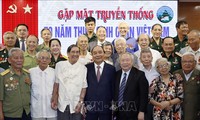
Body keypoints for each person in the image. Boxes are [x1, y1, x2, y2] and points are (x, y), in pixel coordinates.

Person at [51, 44, 87, 120]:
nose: (75, 54)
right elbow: (56, 84)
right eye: (73, 52)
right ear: (68, 54)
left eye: (77, 52)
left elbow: (84, 87)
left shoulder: (83, 68)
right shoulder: (59, 65)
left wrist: (80, 102)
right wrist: (54, 99)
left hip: (76, 104)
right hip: (63, 103)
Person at [113, 52, 149, 120]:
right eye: (122, 60)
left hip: (134, 113)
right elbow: (115, 94)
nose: (125, 62)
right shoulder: (116, 75)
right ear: (119, 62)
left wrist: (141, 111)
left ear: (132, 62)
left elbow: (144, 95)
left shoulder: (140, 75)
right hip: (118, 112)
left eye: (127, 60)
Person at [84, 45, 116, 120]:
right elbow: (84, 86)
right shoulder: (86, 68)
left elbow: (113, 87)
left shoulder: (111, 69)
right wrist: (84, 104)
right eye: (95, 53)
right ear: (92, 55)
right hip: (90, 107)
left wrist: (114, 103)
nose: (97, 55)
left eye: (100, 52)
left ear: (104, 54)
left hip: (106, 107)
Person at [0, 48, 31, 120]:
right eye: (16, 58)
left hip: (26, 113)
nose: (19, 60)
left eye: (21, 58)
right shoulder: (3, 76)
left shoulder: (27, 74)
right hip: (11, 115)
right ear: (9, 60)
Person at [30, 50, 57, 120]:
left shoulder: (54, 72)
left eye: (47, 58)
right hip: (36, 110)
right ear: (37, 59)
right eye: (42, 58)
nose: (44, 60)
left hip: (51, 109)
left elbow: (57, 89)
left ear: (50, 60)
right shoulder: (30, 72)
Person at [174, 52, 200, 120]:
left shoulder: (199, 74)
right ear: (181, 63)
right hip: (177, 111)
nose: (187, 64)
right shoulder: (175, 74)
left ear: (195, 63)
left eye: (190, 61)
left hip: (194, 112)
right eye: (184, 61)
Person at [139, 48, 159, 120]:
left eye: (148, 56)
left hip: (157, 101)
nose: (146, 59)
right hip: (143, 102)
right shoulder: (138, 72)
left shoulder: (158, 70)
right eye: (144, 57)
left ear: (152, 58)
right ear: (140, 59)